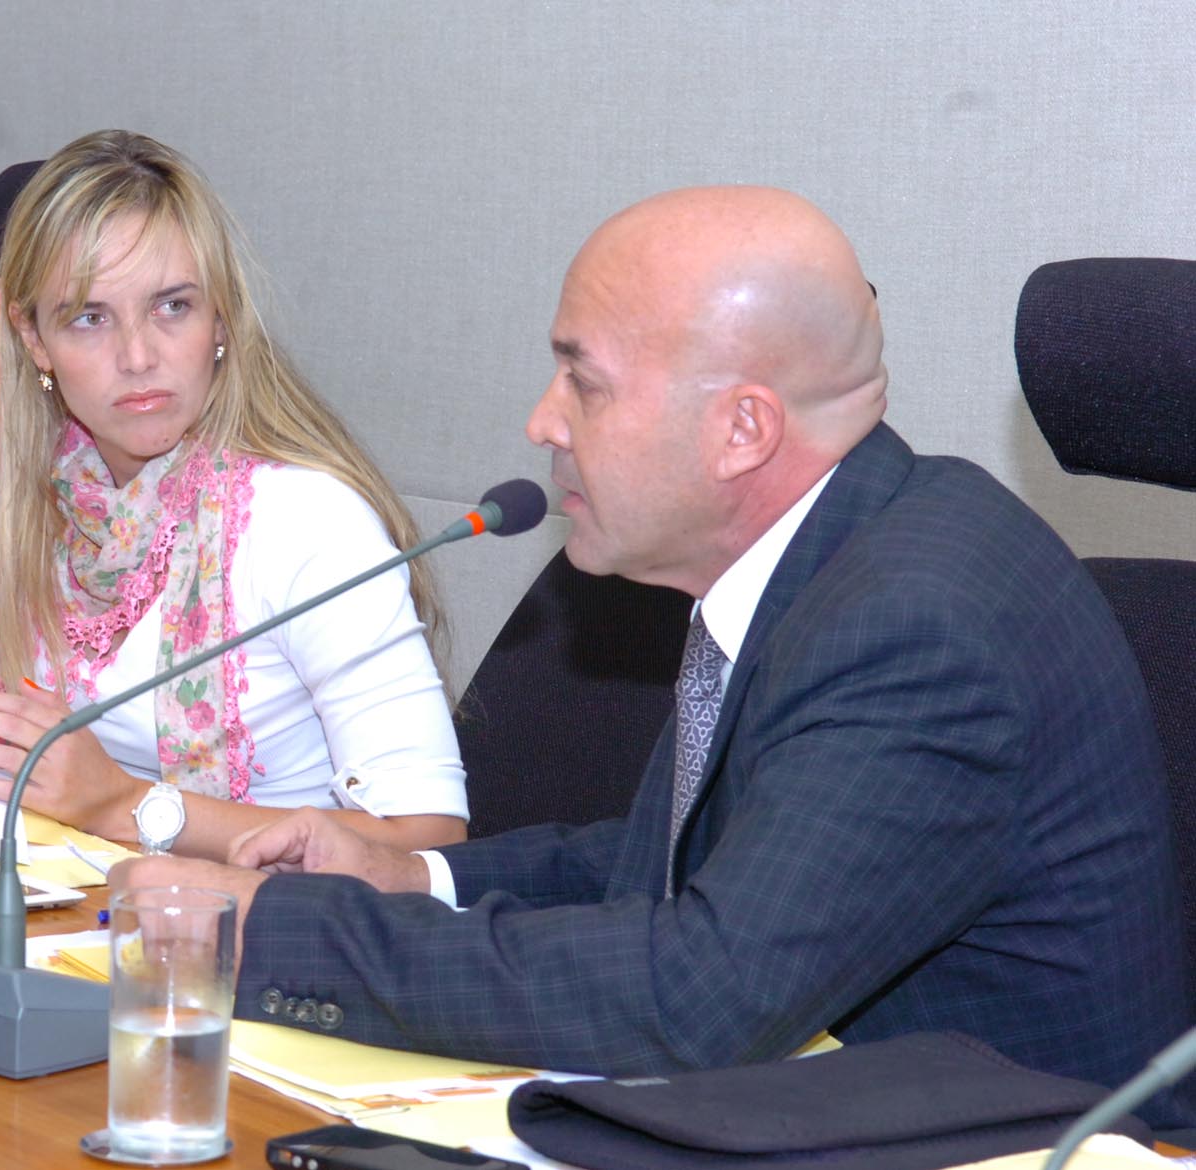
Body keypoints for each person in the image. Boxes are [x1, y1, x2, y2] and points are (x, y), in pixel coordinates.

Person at [115, 186, 1195, 1124]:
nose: (542, 422)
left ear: (741, 431)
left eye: (582, 383)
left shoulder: (916, 626)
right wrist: (410, 876)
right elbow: (686, 863)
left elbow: (698, 996)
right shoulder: (836, 549)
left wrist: (277, 936)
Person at [0, 130, 466, 859]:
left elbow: (429, 839)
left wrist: (124, 805)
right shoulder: (38, 500)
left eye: (172, 307)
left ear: (220, 318)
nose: (138, 356)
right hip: (68, 900)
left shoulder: (307, 519)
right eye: (89, 318)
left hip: (277, 918)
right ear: (34, 339)